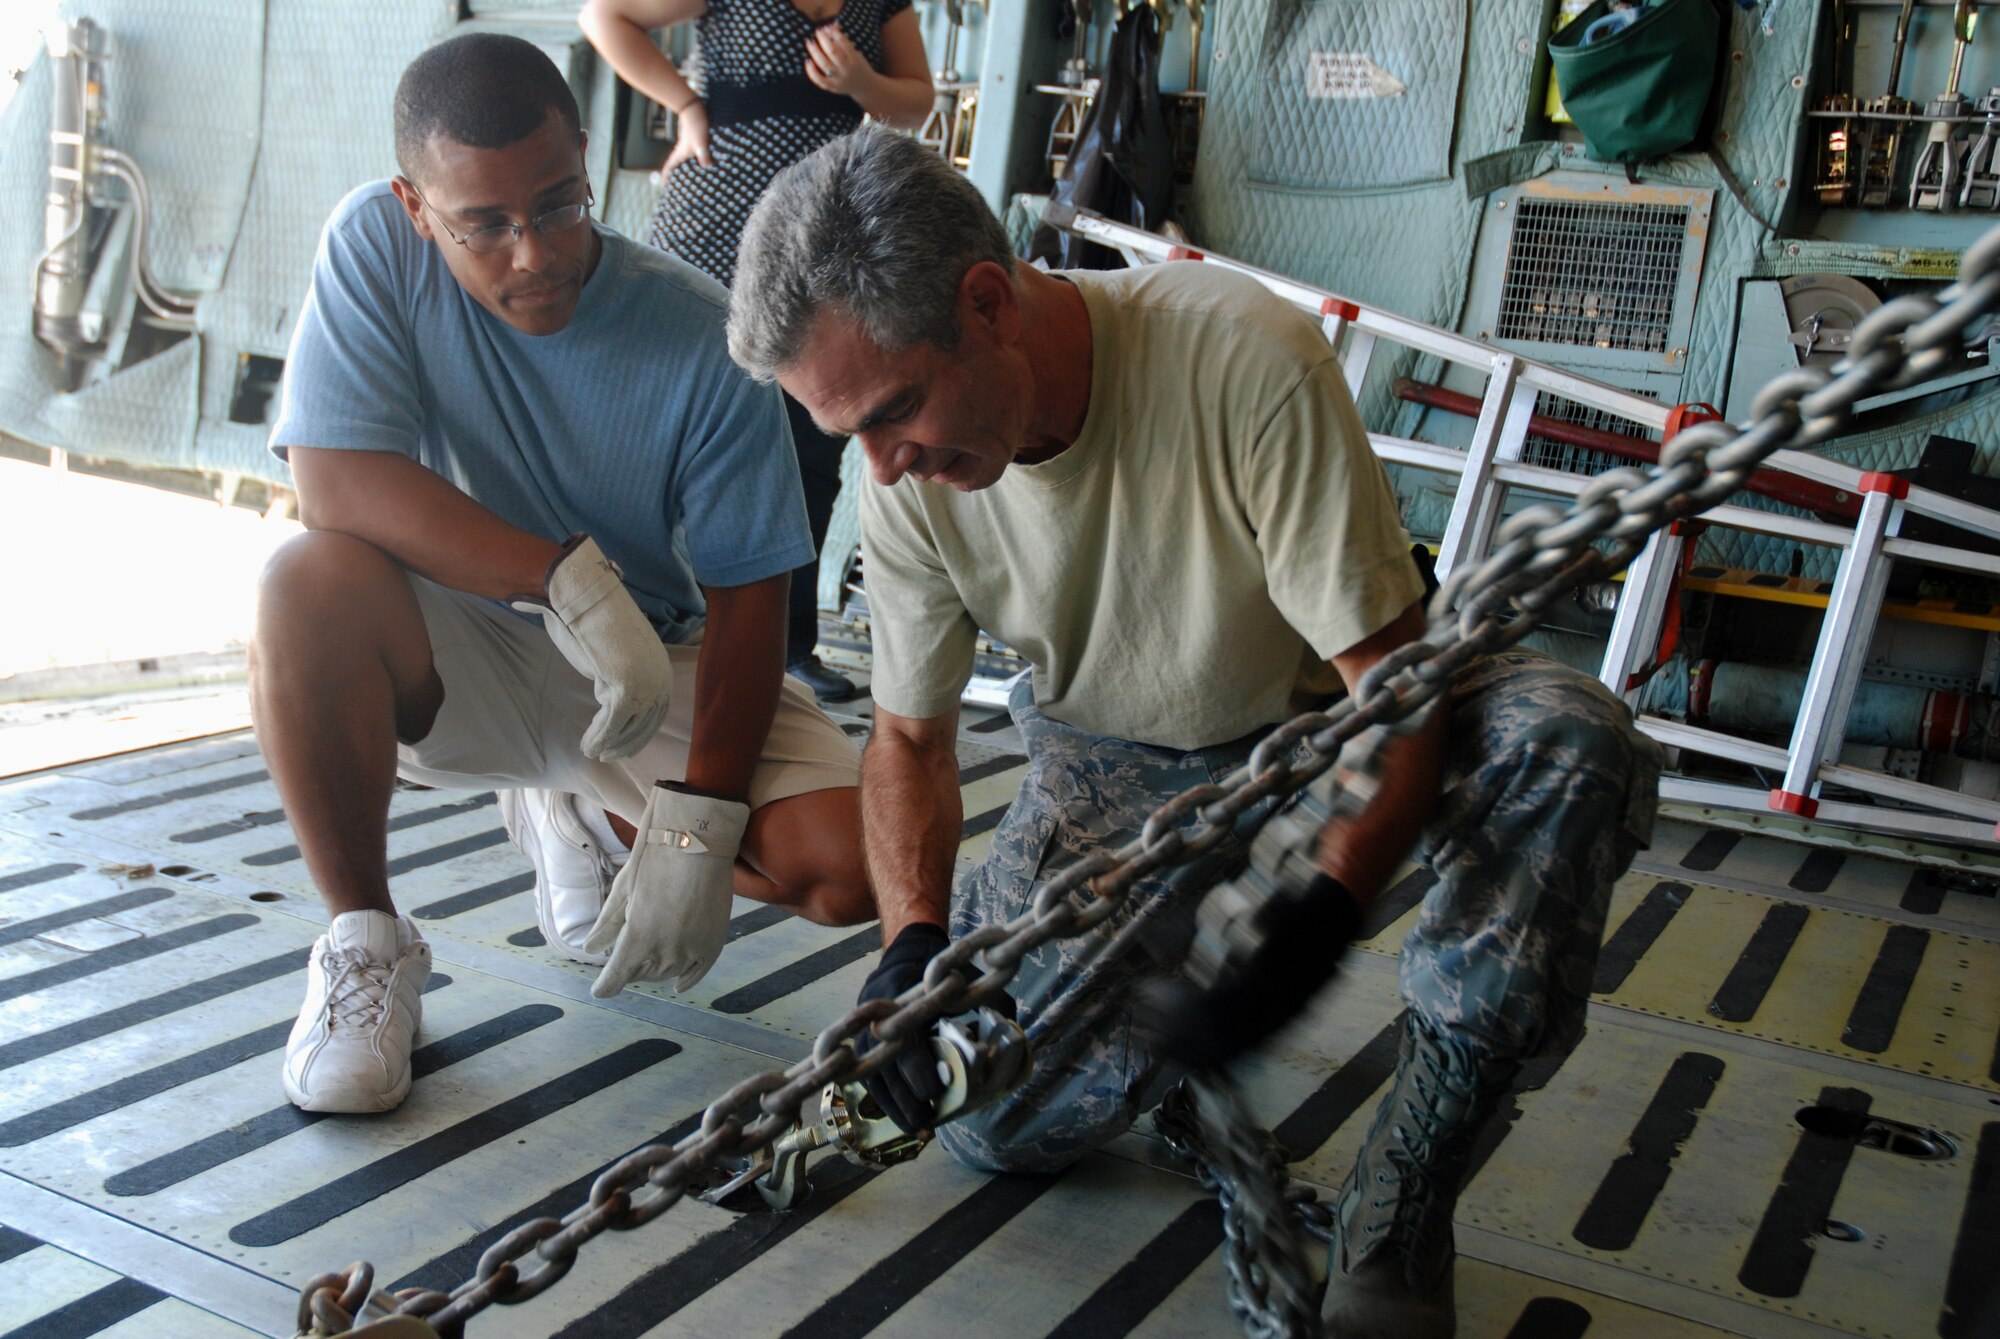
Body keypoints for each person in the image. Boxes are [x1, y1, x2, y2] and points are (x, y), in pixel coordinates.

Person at [727, 127, 1663, 1339]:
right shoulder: (901, 481)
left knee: (1563, 741)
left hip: (1322, 722)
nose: (886, 468)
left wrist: (1319, 918)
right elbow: (906, 743)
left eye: (896, 409)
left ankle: (1401, 1207)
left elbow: (1400, 689)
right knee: (994, 1127)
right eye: (847, 430)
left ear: (986, 301)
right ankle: (1155, 1065)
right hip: (1111, 762)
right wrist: (914, 948)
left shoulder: (1236, 354)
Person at [256, 34, 871, 1117]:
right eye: (481, 225)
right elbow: (336, 485)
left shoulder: (702, 339)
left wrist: (695, 829)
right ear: (414, 205)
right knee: (304, 584)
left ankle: (590, 814)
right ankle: (364, 944)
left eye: (556, 204)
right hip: (467, 643)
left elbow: (749, 603)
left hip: (658, 656)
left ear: (591, 159)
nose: (530, 252)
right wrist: (565, 580)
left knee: (845, 870)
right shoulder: (372, 243)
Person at [579, 0, 934, 702]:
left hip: (823, 238)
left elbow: (916, 102)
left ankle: (788, 648)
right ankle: (643, 625)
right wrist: (684, 106)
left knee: (813, 440)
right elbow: (603, 15)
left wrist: (862, 83)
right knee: (671, 428)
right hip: (716, 219)